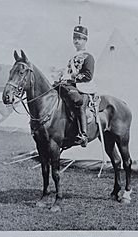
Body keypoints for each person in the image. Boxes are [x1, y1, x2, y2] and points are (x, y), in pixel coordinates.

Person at [58, 19, 95, 147]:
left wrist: (72, 78)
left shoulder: (88, 57)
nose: (76, 41)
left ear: (85, 40)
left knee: (78, 102)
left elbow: (88, 76)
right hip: (70, 86)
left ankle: (83, 134)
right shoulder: (72, 57)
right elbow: (67, 72)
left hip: (83, 87)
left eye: (80, 38)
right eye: (75, 38)